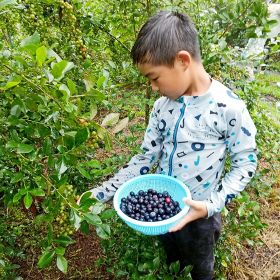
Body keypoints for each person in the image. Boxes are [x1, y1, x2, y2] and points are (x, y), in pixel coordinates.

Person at [80, 11, 257, 280]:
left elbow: (246, 164)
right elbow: (144, 158)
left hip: (201, 216)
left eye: (154, 77)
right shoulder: (162, 108)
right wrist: (102, 193)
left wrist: (211, 205)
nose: (153, 88)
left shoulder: (229, 108)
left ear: (182, 61)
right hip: (166, 209)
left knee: (200, 269)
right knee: (172, 260)